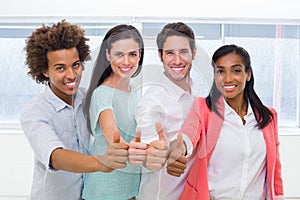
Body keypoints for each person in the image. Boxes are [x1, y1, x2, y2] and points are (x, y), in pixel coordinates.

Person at [20, 20, 129, 200]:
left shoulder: (87, 98)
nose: (71, 75)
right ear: (45, 70)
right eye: (60, 68)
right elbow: (56, 156)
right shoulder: (35, 113)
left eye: (76, 65)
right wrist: (100, 162)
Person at [169, 44, 284, 200]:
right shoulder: (203, 108)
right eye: (221, 71)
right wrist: (177, 149)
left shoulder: (269, 117)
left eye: (236, 70)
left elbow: (274, 169)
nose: (228, 78)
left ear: (248, 74)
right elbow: (189, 134)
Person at [129, 22, 200, 200]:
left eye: (183, 51)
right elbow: (149, 147)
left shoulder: (198, 93)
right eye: (170, 53)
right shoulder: (152, 102)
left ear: (194, 52)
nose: (177, 60)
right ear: (160, 56)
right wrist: (154, 153)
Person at [82, 24, 147, 200]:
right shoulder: (102, 94)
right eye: (119, 54)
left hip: (129, 189)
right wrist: (151, 151)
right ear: (108, 54)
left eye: (132, 54)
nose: (126, 62)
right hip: (104, 190)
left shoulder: (134, 91)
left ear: (139, 55)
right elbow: (114, 138)